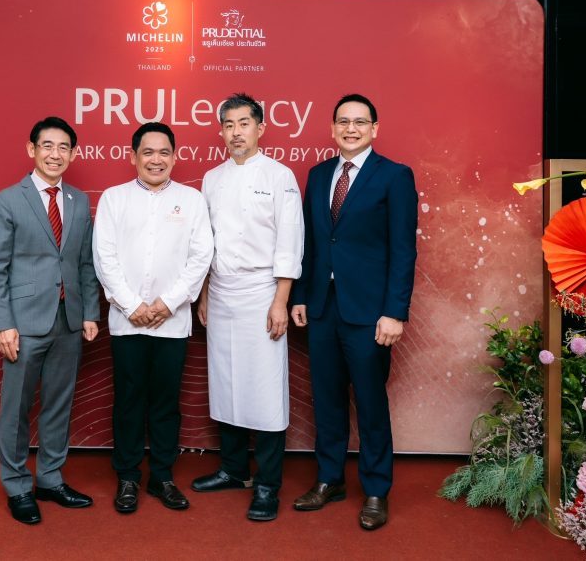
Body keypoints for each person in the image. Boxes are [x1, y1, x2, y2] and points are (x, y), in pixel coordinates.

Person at [289, 94, 418, 531]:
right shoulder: (318, 175)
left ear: (375, 129)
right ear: (332, 128)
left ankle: (377, 489)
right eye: (343, 121)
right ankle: (329, 480)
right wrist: (300, 296)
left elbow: (403, 250)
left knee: (370, 402)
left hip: (370, 313)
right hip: (322, 308)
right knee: (326, 399)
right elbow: (311, 243)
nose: (351, 129)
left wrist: (394, 312)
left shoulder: (395, 176)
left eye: (360, 122)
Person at [0, 116, 101, 526]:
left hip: (68, 320)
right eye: (47, 146)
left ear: (74, 153)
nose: (55, 154)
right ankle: (17, 485)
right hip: (23, 323)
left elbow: (85, 262)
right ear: (31, 149)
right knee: (16, 408)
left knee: (58, 405)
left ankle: (50, 479)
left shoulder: (79, 201)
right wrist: (3, 324)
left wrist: (90, 312)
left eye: (64, 147)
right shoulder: (8, 200)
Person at [192, 93, 304, 522]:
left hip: (262, 292)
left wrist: (280, 301)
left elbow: (290, 241)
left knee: (264, 388)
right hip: (221, 291)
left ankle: (268, 484)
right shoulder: (211, 178)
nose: (236, 132)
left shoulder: (279, 176)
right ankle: (234, 469)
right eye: (229, 125)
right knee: (226, 383)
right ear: (221, 131)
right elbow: (205, 243)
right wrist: (205, 293)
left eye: (244, 124)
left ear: (260, 128)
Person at [93, 122, 214, 514]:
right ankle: (128, 476)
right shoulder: (114, 199)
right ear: (134, 157)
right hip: (127, 321)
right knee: (129, 399)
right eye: (148, 152)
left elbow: (201, 256)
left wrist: (168, 303)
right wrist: (132, 306)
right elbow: (104, 257)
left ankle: (162, 476)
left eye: (164, 152)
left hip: (172, 322)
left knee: (165, 402)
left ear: (174, 158)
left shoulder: (192, 200)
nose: (156, 160)